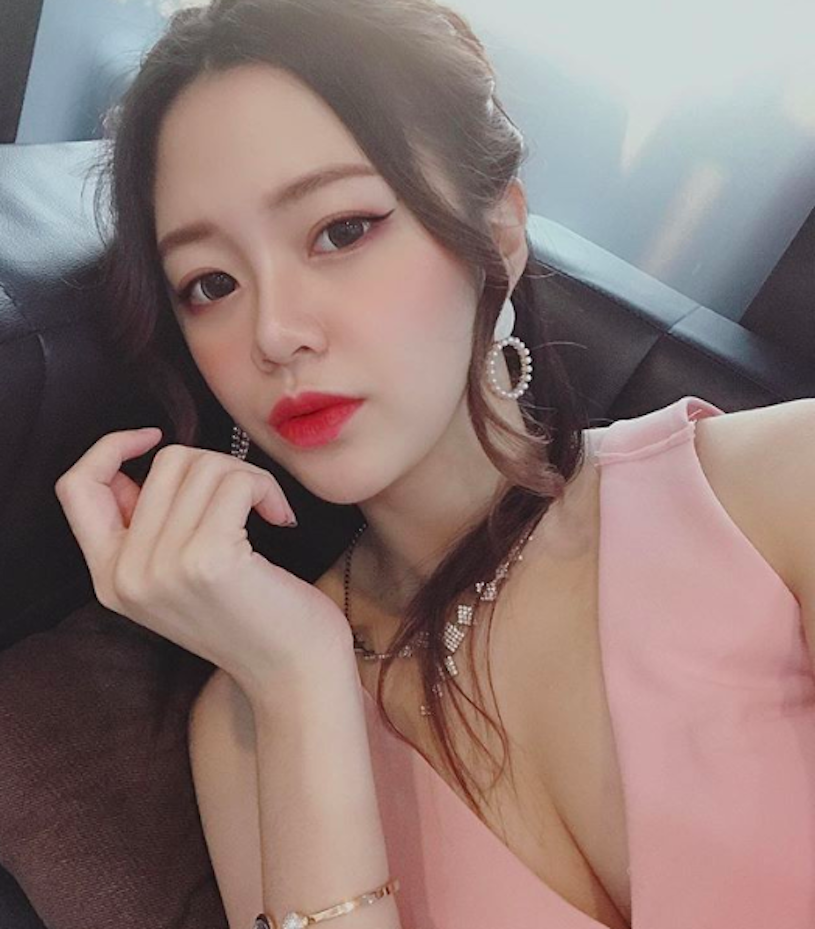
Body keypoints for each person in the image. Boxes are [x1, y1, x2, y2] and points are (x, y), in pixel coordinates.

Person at [54, 0, 815, 927]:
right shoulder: (248, 720)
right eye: (211, 283)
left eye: (341, 230)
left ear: (498, 232)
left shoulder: (781, 487)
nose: (274, 332)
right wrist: (302, 683)